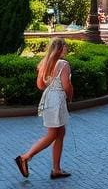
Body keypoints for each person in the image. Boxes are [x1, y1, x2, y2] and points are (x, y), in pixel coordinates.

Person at [15, 38, 73, 180]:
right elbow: (66, 86)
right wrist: (70, 94)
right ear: (60, 48)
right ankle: (25, 157)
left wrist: (52, 87)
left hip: (49, 98)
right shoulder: (64, 64)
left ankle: (56, 169)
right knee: (53, 134)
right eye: (65, 46)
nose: (67, 49)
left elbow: (40, 85)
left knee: (60, 133)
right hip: (57, 100)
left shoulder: (45, 63)